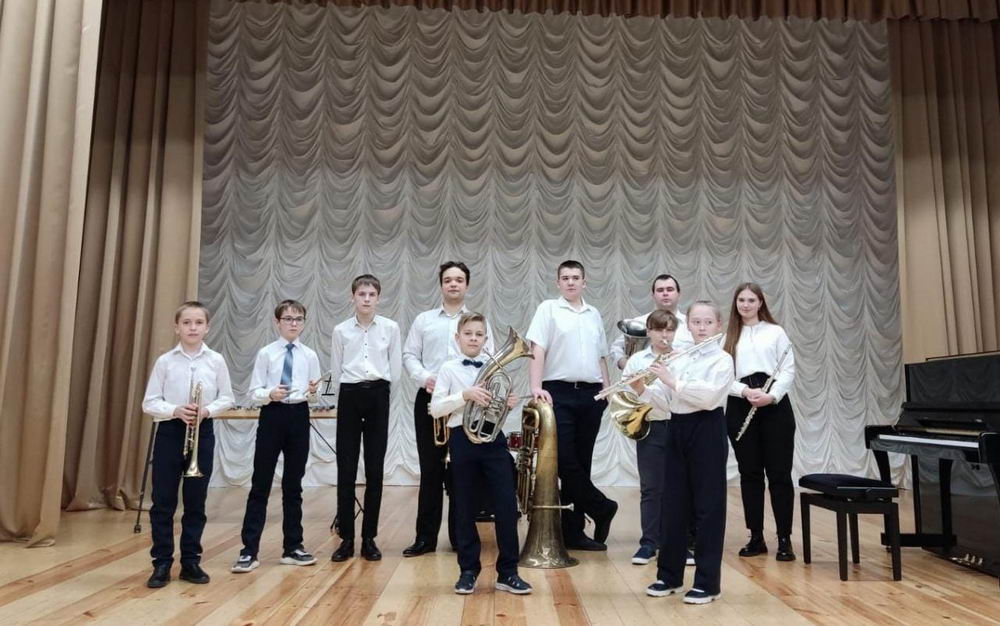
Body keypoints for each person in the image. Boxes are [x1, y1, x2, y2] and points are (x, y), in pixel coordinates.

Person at [430, 313, 532, 595]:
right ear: (458, 338)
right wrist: (464, 395)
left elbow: (496, 405)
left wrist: (506, 403)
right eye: (468, 334)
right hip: (462, 439)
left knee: (506, 506)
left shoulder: (495, 367)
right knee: (464, 506)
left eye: (479, 334)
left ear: (486, 339)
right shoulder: (449, 369)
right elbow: (435, 408)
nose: (473, 339)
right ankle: (468, 571)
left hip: (492, 439)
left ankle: (508, 572)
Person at [401, 261, 495, 557]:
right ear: (441, 284)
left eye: (459, 280)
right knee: (430, 470)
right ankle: (425, 538)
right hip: (431, 398)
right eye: (448, 280)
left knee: (461, 472)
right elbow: (409, 354)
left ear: (467, 285)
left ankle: (460, 537)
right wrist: (424, 378)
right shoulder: (424, 320)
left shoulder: (477, 322)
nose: (453, 284)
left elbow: (490, 358)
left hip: (468, 404)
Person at [645, 301, 733, 605]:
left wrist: (671, 379)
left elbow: (708, 398)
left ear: (718, 325)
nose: (702, 327)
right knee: (672, 504)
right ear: (689, 325)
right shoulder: (680, 357)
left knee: (708, 507)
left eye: (708, 322)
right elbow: (667, 400)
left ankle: (708, 583)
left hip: (707, 429)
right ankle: (669, 576)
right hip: (677, 427)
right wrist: (642, 389)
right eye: (696, 322)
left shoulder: (723, 360)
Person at [142, 301, 234, 588]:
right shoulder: (165, 362)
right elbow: (149, 402)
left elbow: (227, 398)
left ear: (207, 328)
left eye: (198, 323)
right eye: (186, 323)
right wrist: (174, 410)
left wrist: (206, 410)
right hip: (170, 431)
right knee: (163, 502)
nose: (192, 328)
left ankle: (191, 561)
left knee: (196, 502)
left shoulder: (216, 361)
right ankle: (161, 563)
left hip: (202, 431)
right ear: (177, 327)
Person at [526, 260, 616, 551]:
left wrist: (606, 390)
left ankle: (573, 533)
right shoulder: (548, 309)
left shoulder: (593, 314)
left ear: (584, 282)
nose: (570, 282)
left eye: (576, 277)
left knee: (581, 463)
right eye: (565, 278)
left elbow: (601, 355)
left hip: (591, 395)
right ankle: (602, 507)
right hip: (557, 393)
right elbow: (537, 348)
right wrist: (535, 386)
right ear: (558, 283)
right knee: (563, 461)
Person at [232, 299, 322, 573]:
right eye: (288, 319)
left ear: (304, 323)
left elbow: (318, 393)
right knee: (260, 484)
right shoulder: (266, 354)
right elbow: (253, 392)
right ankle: (249, 551)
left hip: (299, 416)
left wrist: (313, 392)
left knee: (293, 486)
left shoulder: (310, 355)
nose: (293, 323)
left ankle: (293, 547)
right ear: (277, 322)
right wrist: (269, 393)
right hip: (272, 415)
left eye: (298, 319)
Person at [329, 275, 402, 562]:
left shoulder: (390, 328)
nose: (367, 299)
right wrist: (345, 393)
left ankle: (369, 537)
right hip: (349, 394)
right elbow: (336, 368)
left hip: (378, 394)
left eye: (372, 294)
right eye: (362, 294)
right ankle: (346, 537)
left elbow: (395, 368)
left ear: (378, 298)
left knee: (375, 468)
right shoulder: (341, 330)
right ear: (353, 297)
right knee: (346, 468)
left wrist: (381, 391)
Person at [723, 282, 797, 561]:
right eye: (741, 300)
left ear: (760, 303)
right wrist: (743, 391)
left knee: (779, 475)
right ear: (736, 303)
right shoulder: (728, 336)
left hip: (774, 405)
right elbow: (722, 375)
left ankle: (784, 539)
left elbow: (788, 369)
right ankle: (756, 537)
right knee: (750, 474)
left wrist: (772, 395)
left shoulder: (775, 332)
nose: (745, 304)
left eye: (751, 300)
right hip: (740, 404)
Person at [621, 309, 677, 565]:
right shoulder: (636, 361)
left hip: (678, 426)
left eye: (669, 330)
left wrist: (648, 390)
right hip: (651, 427)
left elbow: (678, 397)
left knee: (677, 488)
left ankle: (677, 543)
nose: (664, 335)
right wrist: (638, 390)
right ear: (650, 332)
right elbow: (626, 396)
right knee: (651, 488)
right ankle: (648, 543)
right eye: (659, 330)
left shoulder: (682, 358)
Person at [611, 274, 693, 370]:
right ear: (653, 295)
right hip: (644, 378)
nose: (665, 293)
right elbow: (616, 348)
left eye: (670, 289)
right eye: (660, 290)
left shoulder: (691, 325)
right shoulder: (639, 322)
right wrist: (629, 367)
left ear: (679, 294)